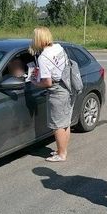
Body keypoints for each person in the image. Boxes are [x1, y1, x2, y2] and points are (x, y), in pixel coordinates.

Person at [30, 27, 73, 162]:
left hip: (57, 91)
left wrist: (34, 82)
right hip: (67, 86)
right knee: (65, 123)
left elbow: (47, 82)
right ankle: (62, 150)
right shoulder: (58, 47)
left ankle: (61, 155)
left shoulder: (43, 57)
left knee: (57, 125)